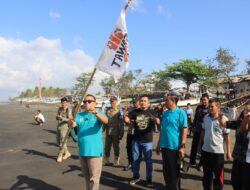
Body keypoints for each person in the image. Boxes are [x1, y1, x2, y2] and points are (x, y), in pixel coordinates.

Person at [69, 94, 108, 190]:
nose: (87, 103)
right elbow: (74, 124)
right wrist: (71, 123)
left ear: (95, 103)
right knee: (86, 177)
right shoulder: (80, 115)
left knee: (94, 178)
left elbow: (106, 121)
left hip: (94, 151)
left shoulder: (99, 113)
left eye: (89, 101)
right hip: (82, 151)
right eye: (85, 101)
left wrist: (95, 113)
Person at [124, 94, 160, 187]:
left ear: (148, 103)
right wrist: (127, 119)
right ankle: (136, 177)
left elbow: (158, 121)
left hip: (147, 141)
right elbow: (127, 117)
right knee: (135, 160)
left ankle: (149, 178)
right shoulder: (135, 112)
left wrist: (155, 119)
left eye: (145, 101)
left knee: (148, 161)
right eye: (141, 101)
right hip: (136, 140)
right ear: (139, 102)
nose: (143, 102)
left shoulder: (152, 111)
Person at [156, 93, 188, 190]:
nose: (165, 102)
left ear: (173, 101)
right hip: (164, 146)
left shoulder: (181, 113)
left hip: (174, 147)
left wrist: (182, 146)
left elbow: (184, 130)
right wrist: (158, 144)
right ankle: (169, 187)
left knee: (174, 171)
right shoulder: (165, 113)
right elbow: (163, 129)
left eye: (167, 100)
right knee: (166, 170)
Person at [198, 99, 231, 190]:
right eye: (209, 106)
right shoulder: (206, 117)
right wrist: (199, 146)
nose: (210, 108)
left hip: (218, 153)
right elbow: (203, 132)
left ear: (218, 107)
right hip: (206, 151)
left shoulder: (224, 119)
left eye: (212, 106)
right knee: (206, 176)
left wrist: (228, 152)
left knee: (218, 178)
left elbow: (227, 137)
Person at [231, 103, 250, 190]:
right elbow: (240, 135)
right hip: (238, 158)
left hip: (248, 161)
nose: (247, 112)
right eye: (245, 110)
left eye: (249, 110)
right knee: (235, 183)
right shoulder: (239, 122)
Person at [189, 93, 209, 170]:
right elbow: (195, 118)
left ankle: (201, 164)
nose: (203, 101)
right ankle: (192, 161)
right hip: (197, 129)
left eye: (204, 100)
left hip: (206, 130)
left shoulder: (210, 107)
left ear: (208, 99)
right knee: (194, 145)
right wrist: (193, 126)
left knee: (203, 147)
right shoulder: (198, 107)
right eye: (202, 100)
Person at [103, 96, 124, 166]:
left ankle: (116, 159)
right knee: (107, 146)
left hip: (116, 131)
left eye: (113, 101)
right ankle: (106, 159)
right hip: (108, 131)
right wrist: (103, 128)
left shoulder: (119, 111)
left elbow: (121, 122)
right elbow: (105, 120)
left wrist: (122, 132)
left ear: (116, 102)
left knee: (116, 147)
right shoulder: (107, 110)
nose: (112, 103)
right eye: (111, 101)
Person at [124, 97, 140, 171]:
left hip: (138, 133)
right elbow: (126, 119)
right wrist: (127, 119)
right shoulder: (130, 109)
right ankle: (130, 163)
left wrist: (132, 120)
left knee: (136, 150)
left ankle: (135, 164)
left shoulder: (141, 110)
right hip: (130, 132)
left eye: (136, 102)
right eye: (133, 102)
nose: (135, 103)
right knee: (129, 148)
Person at [56, 97, 73, 163]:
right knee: (57, 141)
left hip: (65, 127)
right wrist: (57, 117)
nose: (63, 104)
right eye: (62, 102)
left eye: (65, 102)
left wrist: (62, 118)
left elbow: (70, 120)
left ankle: (60, 155)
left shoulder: (69, 110)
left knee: (62, 142)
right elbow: (57, 117)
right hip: (59, 126)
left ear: (67, 103)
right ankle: (67, 153)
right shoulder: (60, 109)